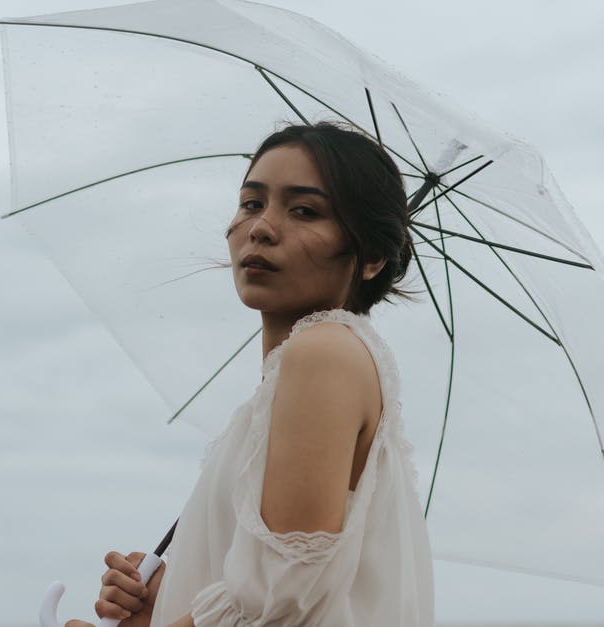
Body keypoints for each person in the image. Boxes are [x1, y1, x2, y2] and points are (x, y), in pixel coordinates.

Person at [66, 121, 435, 627]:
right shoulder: (294, 377)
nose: (261, 227)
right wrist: (167, 606)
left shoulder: (324, 352)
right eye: (251, 203)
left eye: (304, 210)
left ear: (371, 257)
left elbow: (285, 595)